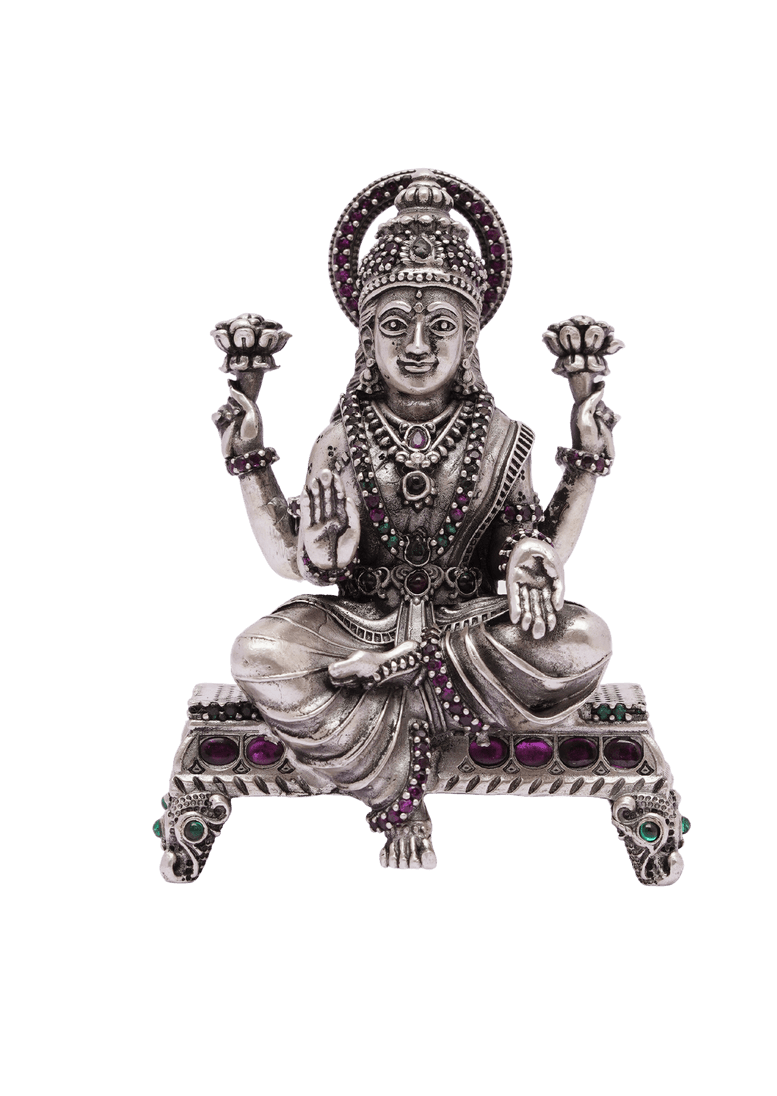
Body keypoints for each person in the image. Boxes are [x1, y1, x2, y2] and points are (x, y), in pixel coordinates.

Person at [210, 171, 621, 869]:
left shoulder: (504, 437)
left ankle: (393, 681)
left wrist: (533, 552)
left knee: (584, 639)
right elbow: (295, 562)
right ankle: (407, 740)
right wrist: (303, 527)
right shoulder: (341, 438)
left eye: (442, 327)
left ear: (470, 339)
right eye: (396, 325)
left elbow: (526, 544)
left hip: (466, 626)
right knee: (260, 651)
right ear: (368, 338)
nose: (419, 346)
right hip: (360, 626)